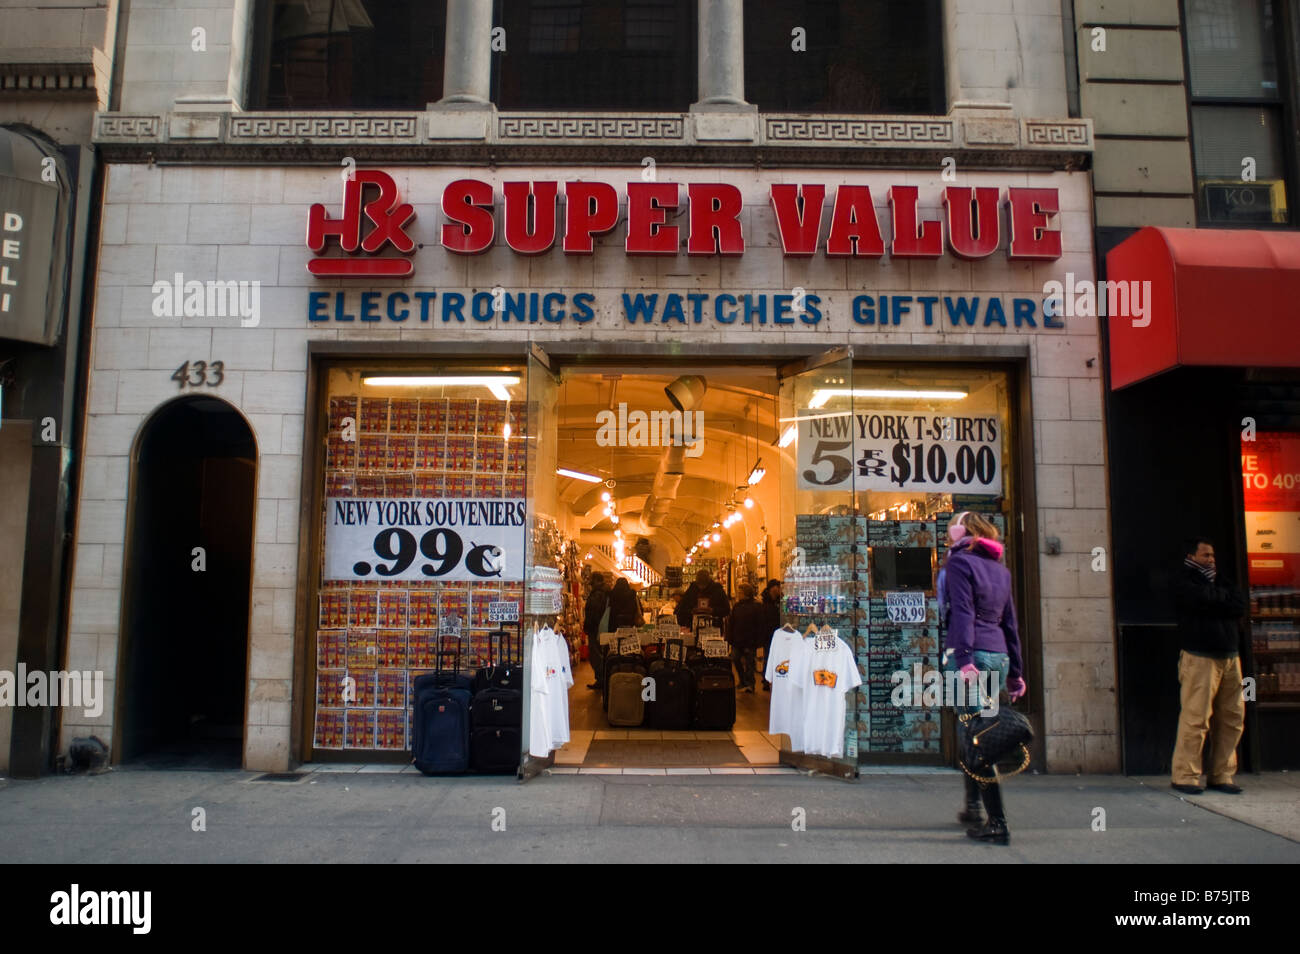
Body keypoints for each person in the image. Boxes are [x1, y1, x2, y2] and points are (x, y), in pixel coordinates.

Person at [938, 511, 1025, 846]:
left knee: (977, 738)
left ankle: (997, 822)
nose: (949, 534)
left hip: (971, 656)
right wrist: (1016, 673)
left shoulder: (960, 563)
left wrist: (962, 658)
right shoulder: (1000, 570)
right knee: (979, 731)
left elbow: (961, 611)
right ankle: (974, 807)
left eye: (952, 529)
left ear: (963, 533)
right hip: (998, 657)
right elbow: (1010, 624)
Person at [1170, 537, 1248, 796]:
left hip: (1229, 656)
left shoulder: (1221, 580)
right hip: (1199, 656)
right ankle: (1185, 775)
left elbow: (1238, 604)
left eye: (1213, 555)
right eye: (1206, 556)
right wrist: (1220, 601)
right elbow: (1200, 600)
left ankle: (1222, 775)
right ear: (1192, 557)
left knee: (1233, 718)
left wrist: (1217, 600)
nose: (1211, 560)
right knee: (1196, 718)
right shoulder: (1184, 581)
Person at [728, 583, 765, 692]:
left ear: (746, 593)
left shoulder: (756, 606)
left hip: (750, 639)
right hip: (737, 639)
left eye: (740, 592)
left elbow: (760, 624)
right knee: (735, 658)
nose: (739, 594)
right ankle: (743, 681)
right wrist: (730, 637)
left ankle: (749, 684)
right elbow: (732, 622)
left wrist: (758, 640)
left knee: (749, 663)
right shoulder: (737, 606)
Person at [582, 572, 610, 690]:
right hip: (601, 628)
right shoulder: (604, 592)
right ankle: (602, 679)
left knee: (596, 655)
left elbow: (593, 613)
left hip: (595, 629)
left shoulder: (598, 594)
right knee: (600, 654)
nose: (590, 584)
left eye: (592, 581)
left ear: (597, 581)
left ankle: (601, 680)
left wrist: (588, 626)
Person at [760, 579, 783, 691]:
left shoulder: (779, 601)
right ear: (773, 588)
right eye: (778, 587)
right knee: (768, 656)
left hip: (778, 632)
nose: (779, 589)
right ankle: (766, 679)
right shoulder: (766, 603)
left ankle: (772, 679)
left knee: (774, 657)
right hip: (769, 633)